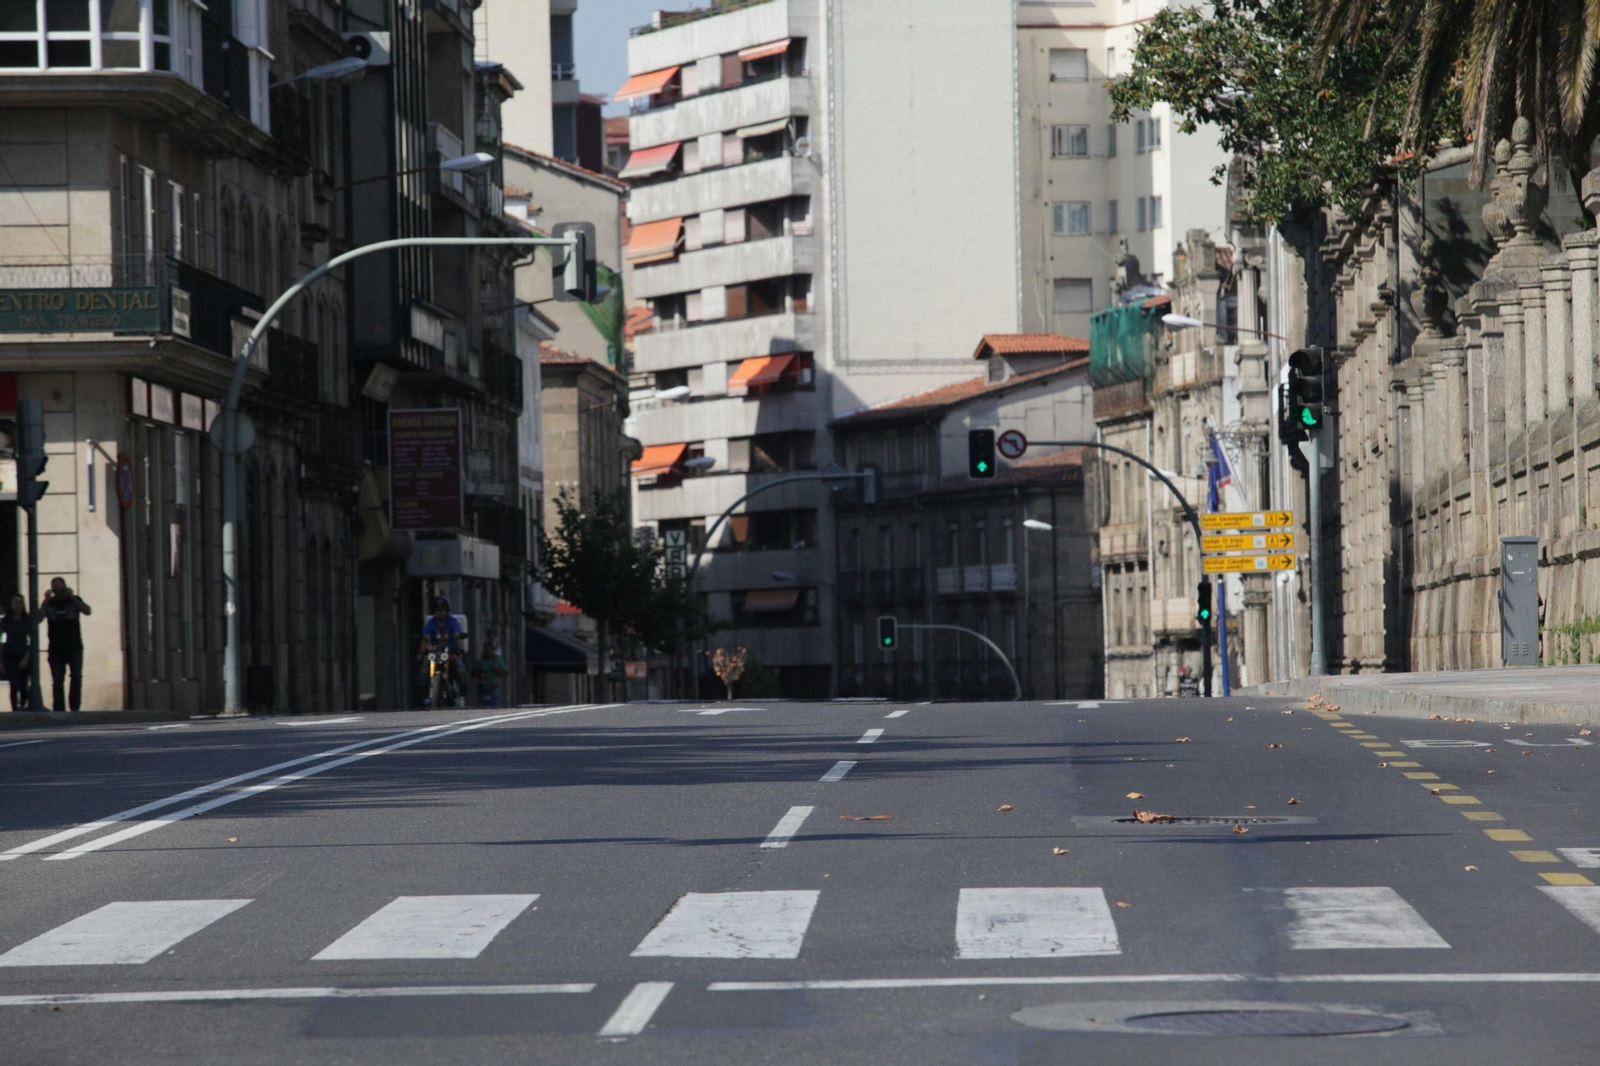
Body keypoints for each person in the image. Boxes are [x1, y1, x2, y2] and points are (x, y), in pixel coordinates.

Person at [38, 578, 90, 713]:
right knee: (57, 680)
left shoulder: (73, 600)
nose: (60, 595)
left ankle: (74, 707)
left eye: (62, 591)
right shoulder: (50, 603)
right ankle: (59, 709)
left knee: (76, 676)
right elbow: (38, 619)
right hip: (56, 648)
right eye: (57, 591)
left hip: (74, 646)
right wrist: (45, 601)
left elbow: (87, 611)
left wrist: (72, 597)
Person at [418, 596, 465, 705]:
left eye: (443, 610)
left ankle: (462, 690)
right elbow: (426, 637)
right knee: (424, 670)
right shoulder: (431, 623)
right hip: (434, 653)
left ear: (446, 611)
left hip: (450, 652)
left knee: (460, 668)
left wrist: (460, 649)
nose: (440, 613)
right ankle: (426, 693)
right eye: (438, 610)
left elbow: (458, 635)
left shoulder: (452, 622)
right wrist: (421, 652)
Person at [2, 595, 31, 712]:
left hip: (23, 654)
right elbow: (1, 639)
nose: (18, 605)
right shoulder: (6, 621)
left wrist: (26, 657)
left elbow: (31, 641)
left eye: (20, 603)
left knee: (24, 684)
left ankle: (23, 703)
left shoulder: (27, 620)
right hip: (10, 655)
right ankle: (15, 708)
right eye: (15, 602)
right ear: (11, 604)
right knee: (14, 684)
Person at [477, 628, 508, 708]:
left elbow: (505, 672)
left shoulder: (498, 659)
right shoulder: (482, 660)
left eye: (490, 650)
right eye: (486, 650)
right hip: (483, 688)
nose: (488, 651)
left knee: (492, 705)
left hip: (494, 688)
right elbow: (475, 672)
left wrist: (497, 669)